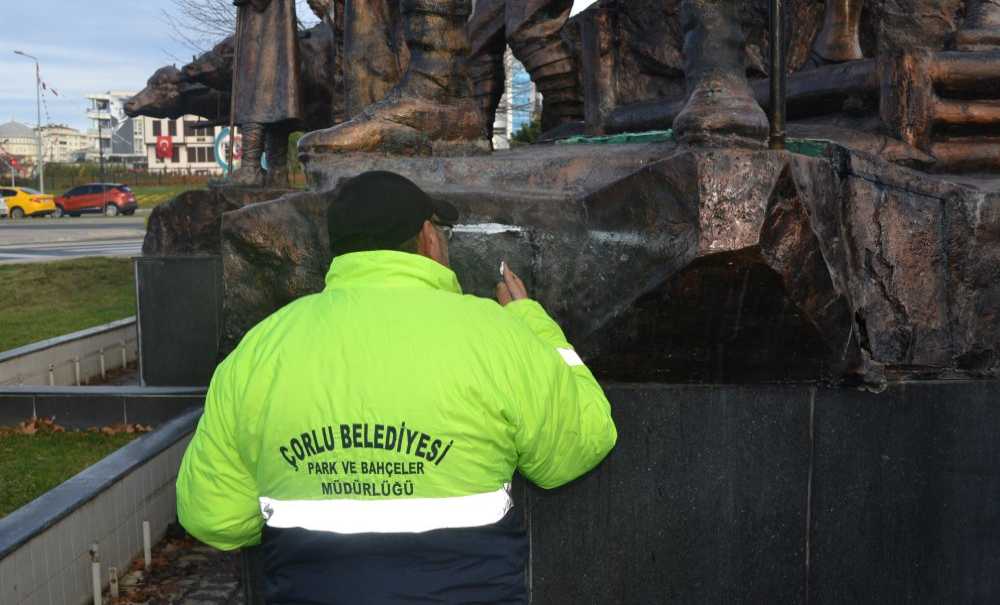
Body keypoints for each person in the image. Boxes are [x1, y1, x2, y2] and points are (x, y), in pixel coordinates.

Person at [176, 170, 618, 603]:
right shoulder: (495, 335)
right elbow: (579, 444)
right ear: (428, 237)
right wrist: (533, 323)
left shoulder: (263, 347)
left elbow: (213, 515)